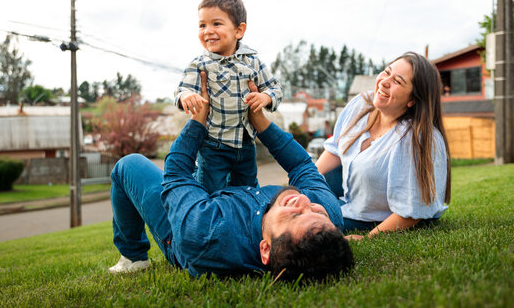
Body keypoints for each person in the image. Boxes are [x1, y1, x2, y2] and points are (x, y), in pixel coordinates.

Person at [109, 74, 353, 281]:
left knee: (129, 165)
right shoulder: (326, 219)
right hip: (241, 197)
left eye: (295, 215)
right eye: (316, 211)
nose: (303, 202)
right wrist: (259, 122)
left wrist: (199, 121)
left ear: (265, 249)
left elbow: (177, 174)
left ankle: (133, 256)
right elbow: (302, 165)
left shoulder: (205, 234)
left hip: (187, 224)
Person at [316, 52, 451, 239]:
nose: (384, 82)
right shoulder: (361, 104)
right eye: (387, 72)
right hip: (349, 197)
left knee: (309, 226)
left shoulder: (418, 138)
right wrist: (307, 181)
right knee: (298, 198)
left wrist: (368, 238)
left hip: (378, 217)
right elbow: (336, 149)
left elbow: (412, 211)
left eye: (398, 81)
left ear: (412, 100)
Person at [174, 0, 283, 193]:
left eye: (216, 23)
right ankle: (209, 220)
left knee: (248, 191)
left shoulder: (253, 61)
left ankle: (245, 220)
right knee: (211, 191)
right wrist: (187, 96)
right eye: (202, 25)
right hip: (213, 145)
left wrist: (265, 97)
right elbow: (182, 89)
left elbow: (275, 88)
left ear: (239, 31)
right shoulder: (199, 64)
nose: (207, 31)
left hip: (245, 145)